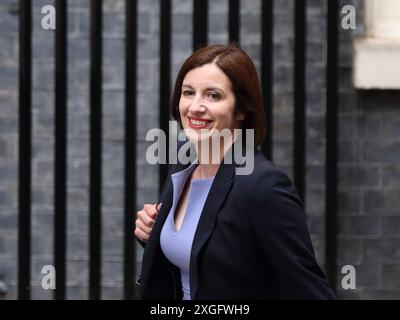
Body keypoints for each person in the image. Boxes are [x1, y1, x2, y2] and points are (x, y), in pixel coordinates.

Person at [134, 43, 336, 300]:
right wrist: (155, 235)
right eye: (188, 92)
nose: (195, 106)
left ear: (241, 110)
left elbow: (310, 290)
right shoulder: (184, 165)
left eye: (213, 95)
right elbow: (203, 258)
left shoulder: (263, 185)